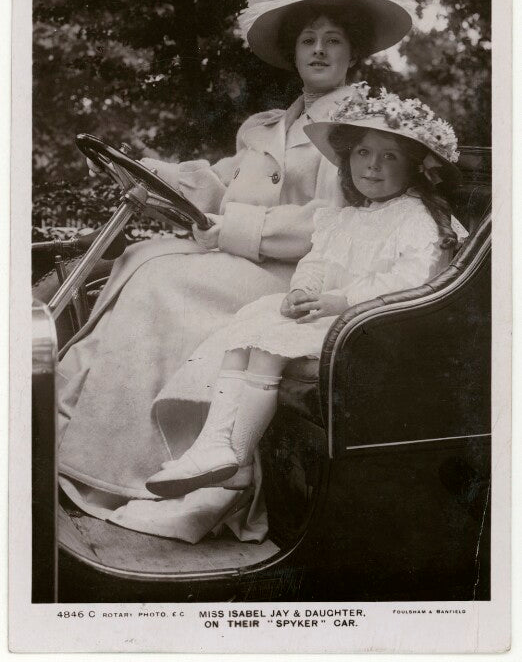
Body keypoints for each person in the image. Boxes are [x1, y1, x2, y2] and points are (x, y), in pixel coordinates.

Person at [56, 0, 417, 543]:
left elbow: (333, 225)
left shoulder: (358, 132)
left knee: (162, 282)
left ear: (354, 54)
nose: (319, 50)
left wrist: (229, 231)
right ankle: (75, 445)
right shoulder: (266, 125)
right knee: (142, 259)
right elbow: (220, 184)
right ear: (294, 53)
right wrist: (154, 176)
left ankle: (131, 473)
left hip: (296, 281)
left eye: (333, 40)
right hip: (240, 266)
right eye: (308, 40)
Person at [144, 88, 468, 500]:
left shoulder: (417, 216)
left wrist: (339, 301)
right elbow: (317, 261)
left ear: (415, 169)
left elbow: (411, 280)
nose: (372, 166)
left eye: (390, 157)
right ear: (348, 159)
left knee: (268, 347)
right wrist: (303, 289)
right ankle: (215, 447)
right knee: (247, 331)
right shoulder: (344, 217)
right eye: (363, 153)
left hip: (380, 324)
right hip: (337, 315)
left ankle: (236, 455)